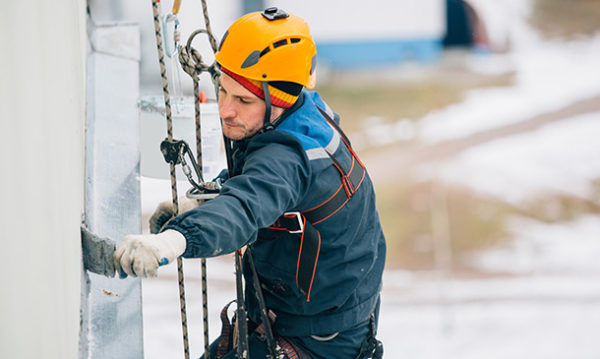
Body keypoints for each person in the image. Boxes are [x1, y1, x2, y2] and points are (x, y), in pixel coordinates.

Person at [114, 7, 385, 359]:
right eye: (223, 91)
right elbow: (257, 186)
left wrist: (176, 238)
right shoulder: (302, 113)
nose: (225, 110)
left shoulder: (290, 156)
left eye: (243, 100)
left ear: (279, 98)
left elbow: (247, 204)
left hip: (316, 340)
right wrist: (202, 203)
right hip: (306, 317)